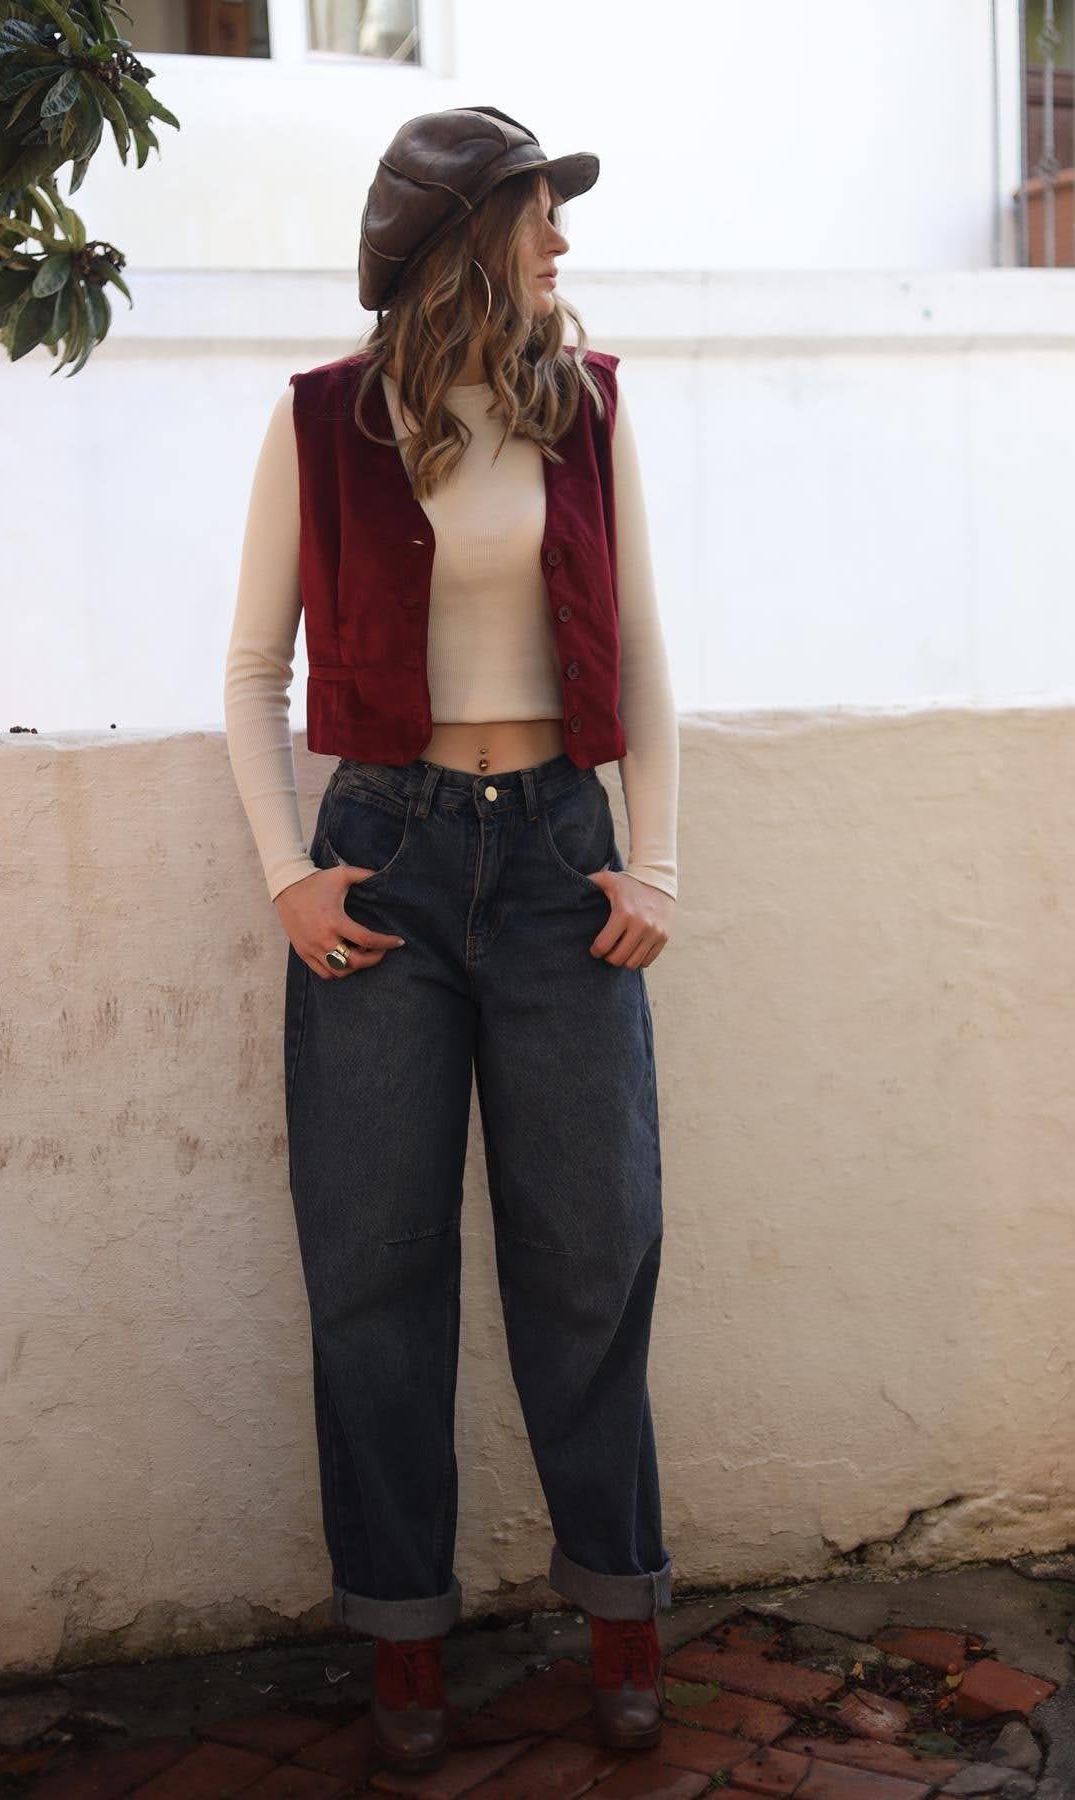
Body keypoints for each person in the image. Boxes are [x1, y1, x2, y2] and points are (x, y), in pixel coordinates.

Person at [223, 104, 680, 1776]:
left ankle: (618, 1605)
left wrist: (656, 864)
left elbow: (644, 651)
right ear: (460, 237)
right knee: (373, 1262)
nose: (560, 239)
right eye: (537, 211)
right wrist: (288, 872)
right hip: (383, 868)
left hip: (562, 859)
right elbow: (249, 673)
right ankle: (404, 1635)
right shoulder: (323, 418)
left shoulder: (589, 405)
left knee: (594, 1246)